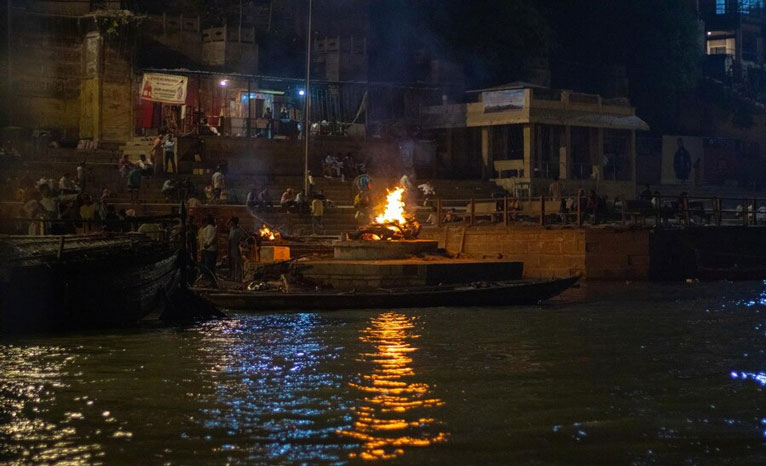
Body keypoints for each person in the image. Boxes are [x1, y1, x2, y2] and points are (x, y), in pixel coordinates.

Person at [200, 215, 218, 288]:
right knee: (211, 266)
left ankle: (207, 281)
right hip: (211, 250)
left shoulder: (204, 229)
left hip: (205, 250)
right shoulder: (213, 229)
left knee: (207, 266)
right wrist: (209, 244)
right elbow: (213, 239)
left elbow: (203, 239)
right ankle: (212, 282)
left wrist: (205, 245)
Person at [228, 216, 246, 282]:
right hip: (231, 246)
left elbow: (244, 237)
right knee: (232, 263)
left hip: (237, 247)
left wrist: (240, 242)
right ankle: (232, 277)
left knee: (238, 263)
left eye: (231, 221)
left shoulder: (239, 229)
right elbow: (230, 239)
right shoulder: (231, 229)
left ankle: (239, 278)